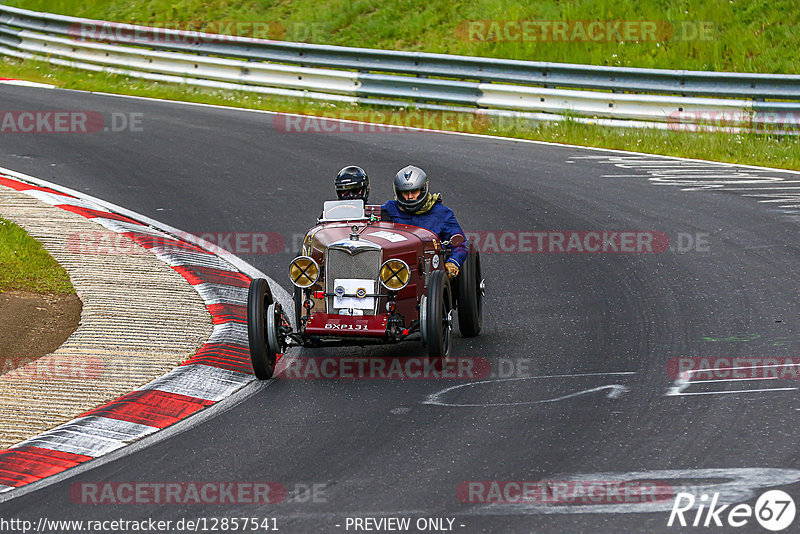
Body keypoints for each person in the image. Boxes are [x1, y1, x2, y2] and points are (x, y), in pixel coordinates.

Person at [382, 165, 467, 278]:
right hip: (394, 267)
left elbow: (460, 244)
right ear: (398, 192)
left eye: (414, 191)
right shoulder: (389, 209)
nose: (410, 197)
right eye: (405, 193)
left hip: (431, 269)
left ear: (423, 189)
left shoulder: (442, 213)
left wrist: (453, 262)